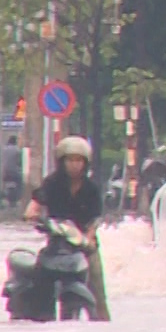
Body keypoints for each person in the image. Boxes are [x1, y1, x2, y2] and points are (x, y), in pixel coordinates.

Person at [24, 135, 109, 321]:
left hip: (83, 246)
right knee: (38, 277)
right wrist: (33, 213)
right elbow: (36, 203)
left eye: (79, 160)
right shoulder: (52, 183)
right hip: (57, 243)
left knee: (97, 289)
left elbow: (95, 220)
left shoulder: (91, 189)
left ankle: (101, 321)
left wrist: (88, 238)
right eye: (70, 160)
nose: (74, 164)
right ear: (62, 161)